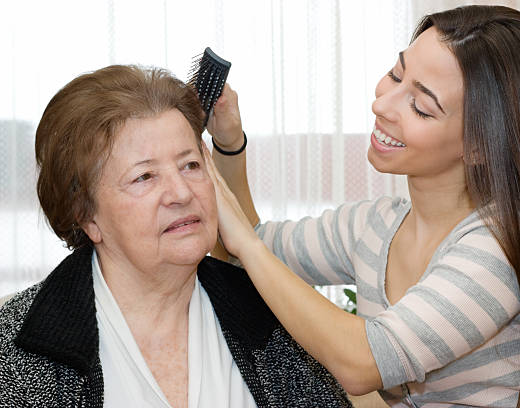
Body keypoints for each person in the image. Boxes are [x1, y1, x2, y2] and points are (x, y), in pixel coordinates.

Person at [205, 5, 520, 408]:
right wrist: (227, 142)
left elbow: (362, 363)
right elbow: (249, 247)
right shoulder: (376, 227)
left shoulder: (502, 251)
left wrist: (247, 245)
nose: (383, 105)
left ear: (480, 145)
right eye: (396, 75)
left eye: (421, 106)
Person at [0, 64, 352, 407]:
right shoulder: (16, 348)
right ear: (85, 214)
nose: (181, 193)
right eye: (145, 177)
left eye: (190, 165)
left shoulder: (273, 317)